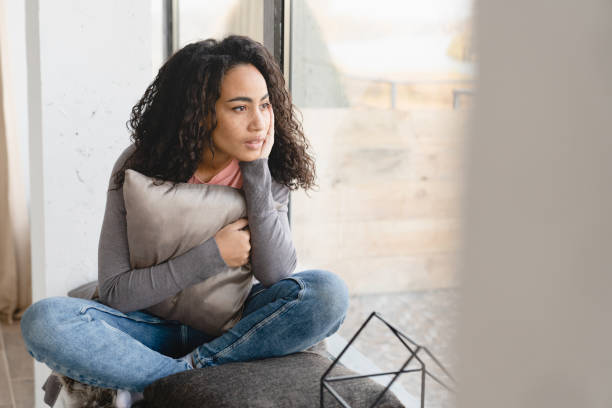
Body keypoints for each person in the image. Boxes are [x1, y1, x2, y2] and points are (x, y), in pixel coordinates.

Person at [20, 35, 349, 398]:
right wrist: (213, 256)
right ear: (200, 111)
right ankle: (185, 380)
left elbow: (276, 274)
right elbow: (115, 293)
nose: (259, 123)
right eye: (240, 108)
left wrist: (256, 171)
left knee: (327, 293)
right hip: (144, 325)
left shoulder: (271, 167)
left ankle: (185, 373)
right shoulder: (141, 164)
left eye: (265, 105)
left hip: (233, 327)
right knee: (45, 321)